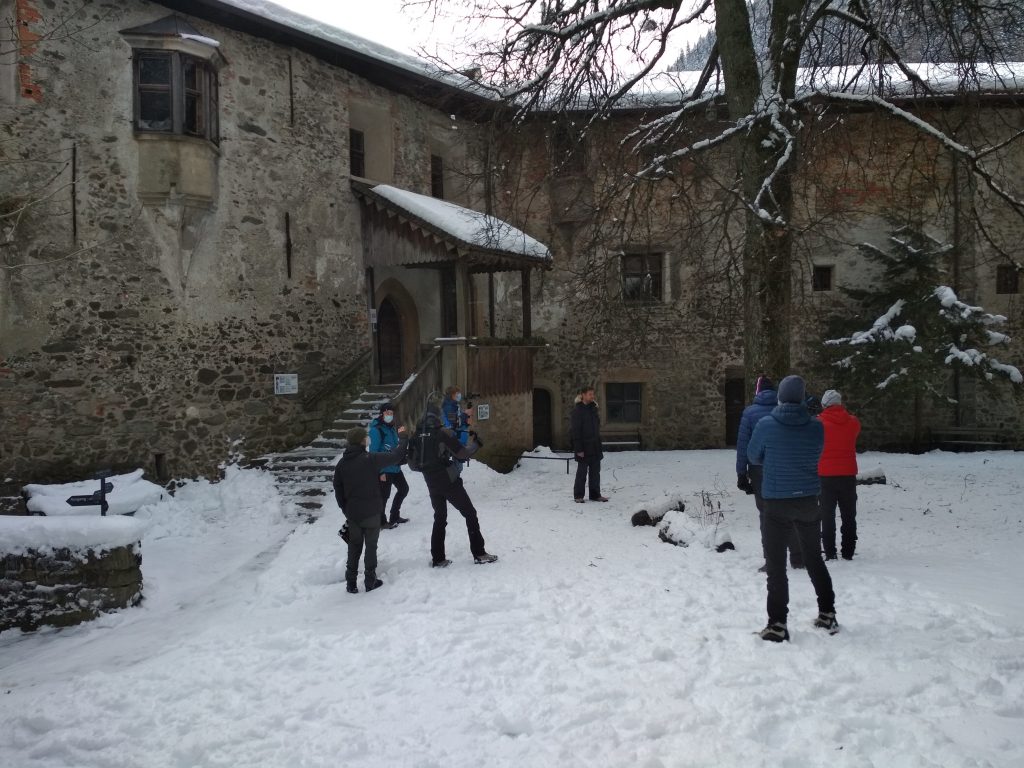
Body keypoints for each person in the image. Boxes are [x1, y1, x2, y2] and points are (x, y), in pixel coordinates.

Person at [747, 374, 838, 642]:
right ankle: (827, 613)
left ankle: (777, 624)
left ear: (779, 396)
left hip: (776, 501)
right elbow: (817, 452)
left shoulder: (766, 424)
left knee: (776, 566)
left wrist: (771, 458)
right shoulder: (816, 427)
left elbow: (754, 455)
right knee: (813, 558)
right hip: (809, 499)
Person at [415, 397, 498, 567]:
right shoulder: (441, 433)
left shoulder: (418, 434)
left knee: (440, 517)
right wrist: (476, 444)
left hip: (430, 481)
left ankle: (438, 558)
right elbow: (462, 454)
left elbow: (412, 460)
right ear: (438, 415)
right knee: (470, 514)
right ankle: (479, 553)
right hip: (448, 480)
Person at [736, 375, 803, 571]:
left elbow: (743, 445)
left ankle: (772, 559)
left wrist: (741, 473)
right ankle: (798, 557)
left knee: (766, 514)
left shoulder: (749, 413)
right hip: (785, 467)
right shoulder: (783, 411)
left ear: (757, 391)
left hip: (759, 470)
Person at [333, 424, 408, 594]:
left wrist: (345, 509)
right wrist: (403, 438)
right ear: (361, 441)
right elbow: (395, 455)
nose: (368, 439)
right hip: (372, 512)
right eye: (365, 437)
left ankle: (351, 583)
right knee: (371, 547)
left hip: (353, 513)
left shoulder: (342, 464)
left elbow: (338, 490)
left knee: (354, 547)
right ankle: (370, 580)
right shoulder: (370, 459)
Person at [818, 389, 861, 560]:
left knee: (827, 515)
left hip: (825, 475)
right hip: (848, 474)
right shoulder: (854, 422)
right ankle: (848, 551)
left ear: (824, 404)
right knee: (849, 514)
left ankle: (829, 552)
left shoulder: (818, 423)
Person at [368, 401, 410, 528]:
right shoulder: (376, 430)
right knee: (383, 496)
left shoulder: (392, 428)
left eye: (391, 413)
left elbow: (394, 446)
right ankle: (381, 522)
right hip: (384, 469)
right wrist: (379, 472)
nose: (390, 415)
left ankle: (394, 516)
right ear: (382, 414)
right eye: (387, 413)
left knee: (404, 489)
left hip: (395, 467)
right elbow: (373, 453)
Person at [570, 386, 608, 502]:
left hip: (595, 446)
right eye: (590, 394)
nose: (592, 396)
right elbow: (575, 431)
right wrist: (579, 449)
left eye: (593, 394)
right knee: (581, 473)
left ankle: (595, 495)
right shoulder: (577, 411)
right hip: (583, 447)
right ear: (583, 395)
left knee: (595, 472)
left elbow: (596, 428)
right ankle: (578, 496)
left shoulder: (593, 409)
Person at [441, 385, 472, 478]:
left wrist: (466, 422)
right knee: (457, 466)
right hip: (453, 438)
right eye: (457, 393)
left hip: (457, 437)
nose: (459, 395)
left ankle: (451, 483)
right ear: (452, 395)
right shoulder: (448, 406)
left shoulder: (454, 405)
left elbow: (458, 422)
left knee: (458, 465)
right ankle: (451, 484)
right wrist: (465, 414)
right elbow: (454, 422)